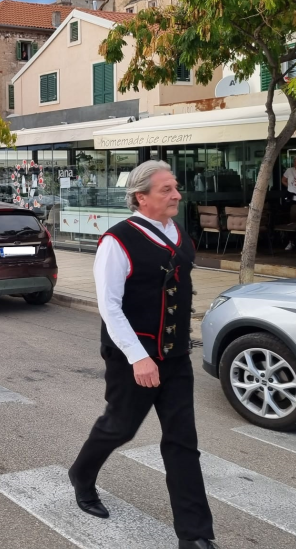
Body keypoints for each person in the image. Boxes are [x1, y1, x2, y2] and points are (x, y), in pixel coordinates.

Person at [68, 161, 218, 549]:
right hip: (131, 357)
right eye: (166, 190)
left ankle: (196, 536)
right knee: (120, 427)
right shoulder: (117, 241)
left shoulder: (179, 234)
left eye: (175, 187)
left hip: (175, 357)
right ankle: (82, 476)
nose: (177, 195)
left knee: (183, 442)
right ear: (141, 197)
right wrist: (139, 357)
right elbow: (109, 307)